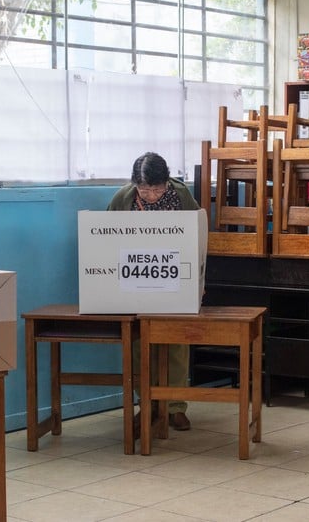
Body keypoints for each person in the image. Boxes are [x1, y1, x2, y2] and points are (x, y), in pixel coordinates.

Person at [107, 152, 199, 434]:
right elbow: (105, 237)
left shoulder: (181, 196)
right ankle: (145, 404)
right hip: (134, 278)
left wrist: (198, 280)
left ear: (166, 181)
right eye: (143, 189)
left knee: (175, 341)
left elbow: (198, 236)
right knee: (138, 342)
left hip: (174, 275)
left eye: (156, 189)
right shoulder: (123, 198)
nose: (149, 195)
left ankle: (175, 407)